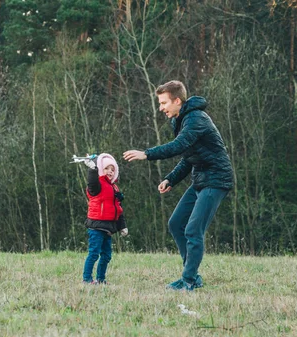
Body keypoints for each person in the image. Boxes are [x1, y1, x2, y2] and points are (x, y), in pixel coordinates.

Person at [123, 80, 233, 291]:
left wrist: (146, 154)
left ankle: (189, 281)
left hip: (217, 179)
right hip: (200, 178)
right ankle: (190, 276)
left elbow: (178, 146)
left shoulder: (196, 119)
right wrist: (171, 179)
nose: (161, 108)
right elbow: (188, 156)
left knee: (193, 230)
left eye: (164, 103)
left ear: (177, 100)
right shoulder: (180, 121)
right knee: (176, 223)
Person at [82, 153, 128, 284]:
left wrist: (122, 226)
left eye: (113, 169)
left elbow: (118, 209)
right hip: (96, 226)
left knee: (106, 255)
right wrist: (92, 169)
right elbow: (91, 183)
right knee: (94, 254)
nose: (110, 172)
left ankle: (101, 279)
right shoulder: (97, 185)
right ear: (102, 169)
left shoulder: (114, 188)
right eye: (107, 168)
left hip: (108, 228)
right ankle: (87, 279)